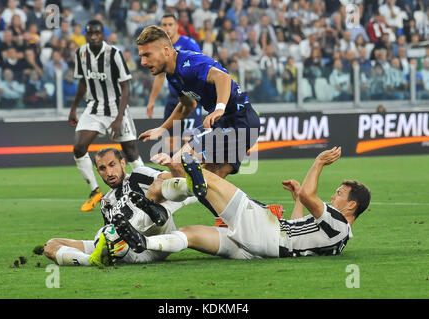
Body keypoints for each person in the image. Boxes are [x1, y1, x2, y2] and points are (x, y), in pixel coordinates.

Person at [107, 148, 371, 261]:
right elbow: (297, 231)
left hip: (266, 233)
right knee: (189, 234)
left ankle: (170, 189)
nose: (333, 197)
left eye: (339, 194)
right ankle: (143, 243)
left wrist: (319, 162)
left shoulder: (338, 222)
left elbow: (312, 196)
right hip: (261, 249)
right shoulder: (336, 234)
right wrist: (297, 201)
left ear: (351, 206)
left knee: (206, 178)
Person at [136, 25, 261, 225]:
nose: (143, 62)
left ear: (166, 50)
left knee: (180, 162)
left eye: (147, 55)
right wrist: (163, 128)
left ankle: (157, 200)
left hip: (236, 120)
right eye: (141, 56)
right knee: (211, 183)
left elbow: (223, 77)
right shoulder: (172, 75)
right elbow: (188, 105)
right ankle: (248, 215)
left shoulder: (189, 63)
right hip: (238, 123)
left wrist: (219, 108)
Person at [43, 147, 195, 266]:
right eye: (102, 168)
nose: (109, 172)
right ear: (98, 172)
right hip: (129, 249)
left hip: (158, 235)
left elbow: (175, 180)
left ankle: (152, 211)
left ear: (122, 163)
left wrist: (171, 165)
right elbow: (110, 233)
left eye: (112, 165)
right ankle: (89, 260)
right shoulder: (106, 202)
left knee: (158, 187)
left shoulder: (138, 175)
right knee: (51, 245)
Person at [68, 19, 144, 213]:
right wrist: (74, 107)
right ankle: (95, 191)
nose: (93, 36)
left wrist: (119, 119)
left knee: (131, 152)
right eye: (90, 33)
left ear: (102, 35)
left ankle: (147, 189)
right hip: (94, 107)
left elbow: (125, 86)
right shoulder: (81, 53)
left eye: (97, 33)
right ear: (86, 35)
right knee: (79, 147)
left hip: (116, 108)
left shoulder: (114, 54)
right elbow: (84, 82)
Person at [146, 14, 203, 156]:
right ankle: (177, 176)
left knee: (189, 141)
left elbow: (201, 67)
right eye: (164, 25)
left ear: (177, 26)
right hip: (173, 98)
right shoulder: (160, 47)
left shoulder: (189, 44)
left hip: (191, 97)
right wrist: (152, 100)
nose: (167, 28)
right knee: (169, 142)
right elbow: (159, 75)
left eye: (170, 24)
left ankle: (195, 176)